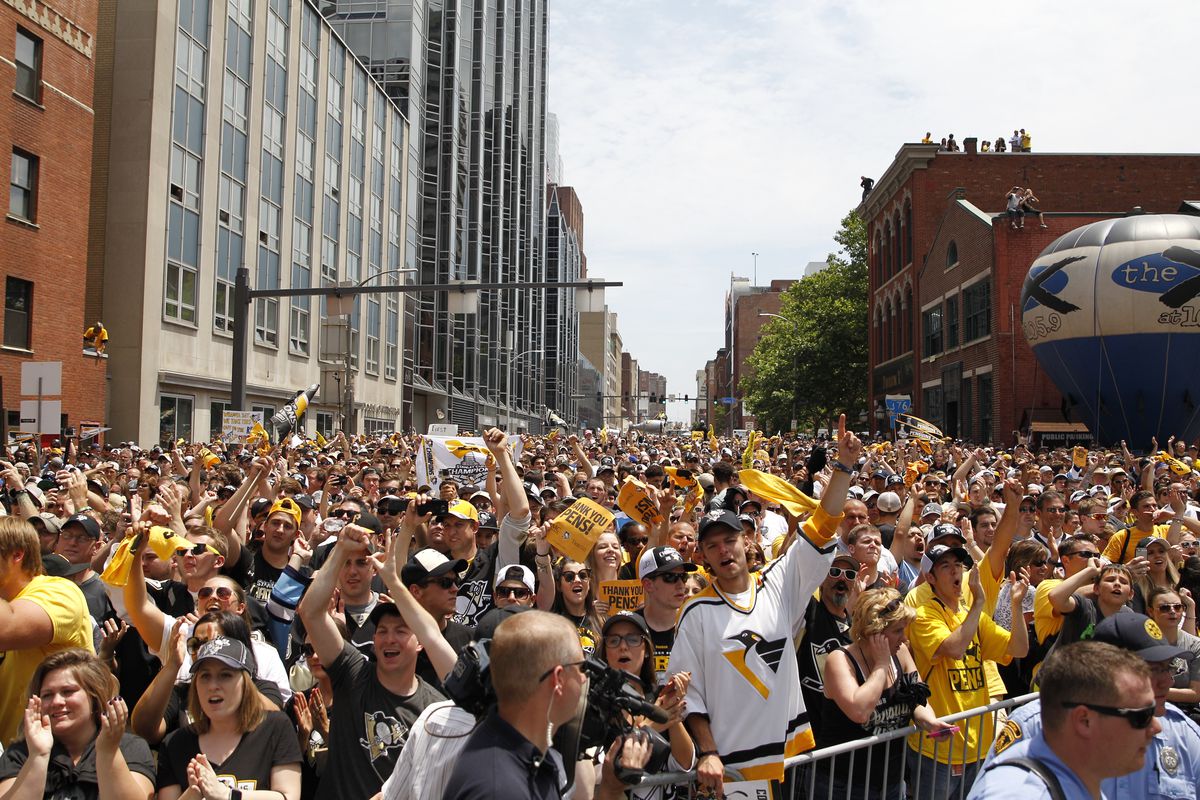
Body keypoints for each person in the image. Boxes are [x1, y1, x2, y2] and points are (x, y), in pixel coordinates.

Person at [671, 415, 861, 795]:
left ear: (746, 540)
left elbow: (822, 525)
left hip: (790, 759)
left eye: (729, 540)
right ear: (704, 557)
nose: (723, 550)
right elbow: (687, 695)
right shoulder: (695, 614)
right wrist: (707, 752)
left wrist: (843, 467)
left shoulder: (778, 583)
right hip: (732, 770)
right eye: (712, 545)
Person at [297, 523, 454, 800]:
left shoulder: (434, 709)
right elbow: (310, 612)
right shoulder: (353, 671)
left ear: (420, 642)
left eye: (400, 631)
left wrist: (393, 580)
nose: (389, 639)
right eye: (382, 631)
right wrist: (341, 548)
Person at [983, 612, 1200, 799]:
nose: (1168, 681)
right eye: (1152, 670)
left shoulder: (1183, 732)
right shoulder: (1034, 726)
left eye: (1168, 668)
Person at [906, 542, 1029, 797]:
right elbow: (954, 648)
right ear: (930, 577)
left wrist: (1016, 606)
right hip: (939, 744)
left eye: (958, 566)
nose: (955, 572)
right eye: (946, 567)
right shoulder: (924, 614)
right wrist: (978, 603)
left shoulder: (974, 616)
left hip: (980, 745)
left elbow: (1018, 649)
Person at [969, 641, 1160, 799]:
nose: (1156, 726)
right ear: (1085, 720)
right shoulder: (1022, 794)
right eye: (1141, 716)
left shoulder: (1079, 777)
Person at [814, 588, 952, 800]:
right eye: (898, 631)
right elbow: (859, 711)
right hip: (843, 784)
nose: (904, 639)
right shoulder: (839, 660)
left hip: (890, 782)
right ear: (874, 631)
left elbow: (917, 699)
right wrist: (880, 665)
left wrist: (930, 722)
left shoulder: (901, 652)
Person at [442, 611, 587, 800]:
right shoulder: (500, 789)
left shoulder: (528, 755)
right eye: (581, 668)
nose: (584, 679)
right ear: (558, 679)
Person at [155, 637, 302, 800]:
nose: (213, 686)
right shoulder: (175, 743)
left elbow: (288, 796)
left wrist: (228, 795)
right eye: (205, 676)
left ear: (246, 683)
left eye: (225, 675)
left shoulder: (275, 727)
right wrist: (195, 792)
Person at [0, 649, 155, 800]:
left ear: (95, 696)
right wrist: (38, 756)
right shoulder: (20, 754)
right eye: (47, 695)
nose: (56, 702)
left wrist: (108, 753)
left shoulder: (130, 747)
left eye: (68, 691)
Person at [0, 517, 94, 745]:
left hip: (63, 755)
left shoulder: (59, 591)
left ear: (16, 555)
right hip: (15, 756)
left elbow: (4, 629)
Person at [798, 553, 858, 738]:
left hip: (841, 736)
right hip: (810, 737)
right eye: (834, 571)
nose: (842, 577)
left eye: (849, 575)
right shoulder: (809, 613)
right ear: (821, 579)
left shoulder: (856, 629)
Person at [633, 545, 698, 684]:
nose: (681, 585)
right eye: (670, 577)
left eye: (683, 576)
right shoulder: (629, 627)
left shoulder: (696, 626)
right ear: (648, 584)